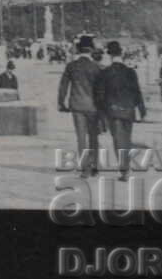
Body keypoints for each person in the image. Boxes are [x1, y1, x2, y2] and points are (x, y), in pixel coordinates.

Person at [94, 41, 146, 181]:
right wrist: (142, 109)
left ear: (109, 55)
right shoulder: (130, 72)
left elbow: (100, 95)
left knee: (118, 139)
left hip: (113, 111)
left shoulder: (104, 73)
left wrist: (101, 112)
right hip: (128, 109)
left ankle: (124, 170)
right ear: (121, 54)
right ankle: (126, 167)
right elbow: (137, 92)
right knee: (127, 139)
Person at [58, 35, 103, 178]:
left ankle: (84, 169)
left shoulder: (71, 66)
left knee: (81, 137)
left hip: (77, 105)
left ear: (78, 49)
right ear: (91, 50)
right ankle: (95, 165)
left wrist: (61, 102)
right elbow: (101, 89)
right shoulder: (97, 67)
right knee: (94, 137)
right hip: (93, 106)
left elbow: (63, 86)